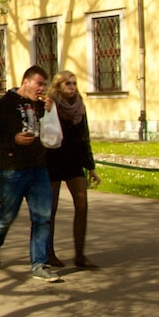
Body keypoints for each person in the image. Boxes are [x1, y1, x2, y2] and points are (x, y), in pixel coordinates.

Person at [0, 65, 60, 282]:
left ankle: (39, 264)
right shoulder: (5, 104)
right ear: (26, 82)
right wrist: (13, 140)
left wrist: (51, 110)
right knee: (7, 215)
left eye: (45, 85)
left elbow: (51, 133)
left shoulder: (42, 105)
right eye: (39, 84)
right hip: (12, 170)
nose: (42, 88)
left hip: (39, 169)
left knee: (43, 217)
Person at [45, 70, 101, 268]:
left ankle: (80, 255)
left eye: (74, 83)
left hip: (74, 161)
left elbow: (84, 137)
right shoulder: (50, 104)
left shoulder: (79, 106)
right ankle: (48, 253)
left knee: (82, 205)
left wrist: (91, 167)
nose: (72, 87)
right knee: (50, 209)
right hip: (53, 159)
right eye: (68, 83)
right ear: (58, 86)